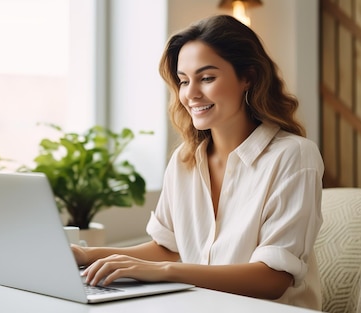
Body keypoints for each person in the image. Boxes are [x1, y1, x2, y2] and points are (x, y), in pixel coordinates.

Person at [71, 14, 324, 310]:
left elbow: (273, 278)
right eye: (183, 81)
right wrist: (87, 256)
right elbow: (167, 248)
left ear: (248, 78)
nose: (190, 94)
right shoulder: (184, 160)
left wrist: (165, 274)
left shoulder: (293, 155)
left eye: (207, 78)